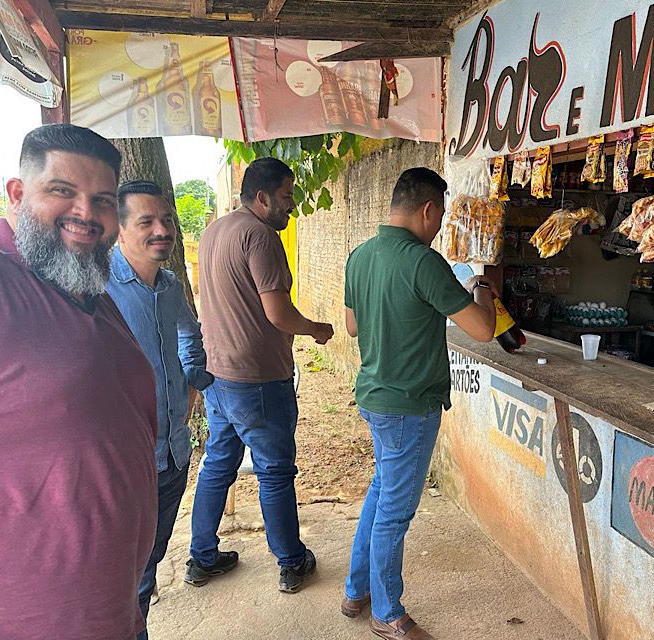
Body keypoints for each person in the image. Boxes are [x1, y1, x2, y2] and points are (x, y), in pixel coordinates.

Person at [0, 125, 158, 639]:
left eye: (101, 200)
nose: (85, 213)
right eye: (62, 191)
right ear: (16, 193)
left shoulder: (84, 287)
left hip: (111, 615)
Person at [341, 168, 497, 640]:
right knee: (394, 509)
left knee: (381, 491)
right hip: (409, 407)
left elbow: (351, 326)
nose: (440, 224)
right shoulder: (423, 262)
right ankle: (387, 613)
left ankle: (356, 589)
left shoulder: (360, 255)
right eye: (441, 214)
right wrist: (483, 288)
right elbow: (483, 329)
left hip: (375, 396)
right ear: (428, 209)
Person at [187, 157, 334, 593]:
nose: (291, 205)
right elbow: (278, 312)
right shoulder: (261, 236)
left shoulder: (215, 230)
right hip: (258, 380)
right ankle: (291, 562)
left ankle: (202, 557)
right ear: (262, 196)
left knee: (218, 464)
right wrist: (316, 329)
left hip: (219, 375)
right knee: (273, 471)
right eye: (287, 196)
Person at [105, 180, 214, 639]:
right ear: (118, 229)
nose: (162, 230)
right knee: (119, 580)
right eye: (146, 221)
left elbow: (192, 338)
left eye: (166, 219)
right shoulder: (97, 289)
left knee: (148, 565)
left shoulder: (169, 287)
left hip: (172, 459)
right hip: (123, 468)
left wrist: (190, 390)